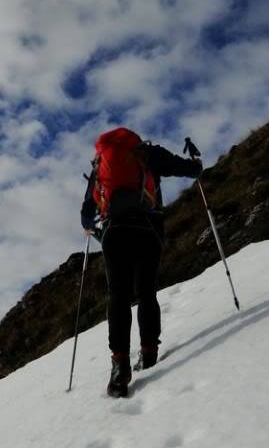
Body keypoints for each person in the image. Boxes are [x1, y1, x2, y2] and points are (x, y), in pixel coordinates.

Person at [81, 128, 203, 398]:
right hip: (149, 227)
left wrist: (92, 228)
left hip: (114, 232)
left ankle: (120, 365)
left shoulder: (99, 164)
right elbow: (192, 172)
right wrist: (197, 162)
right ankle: (149, 353)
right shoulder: (149, 154)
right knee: (147, 291)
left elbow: (86, 215)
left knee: (118, 296)